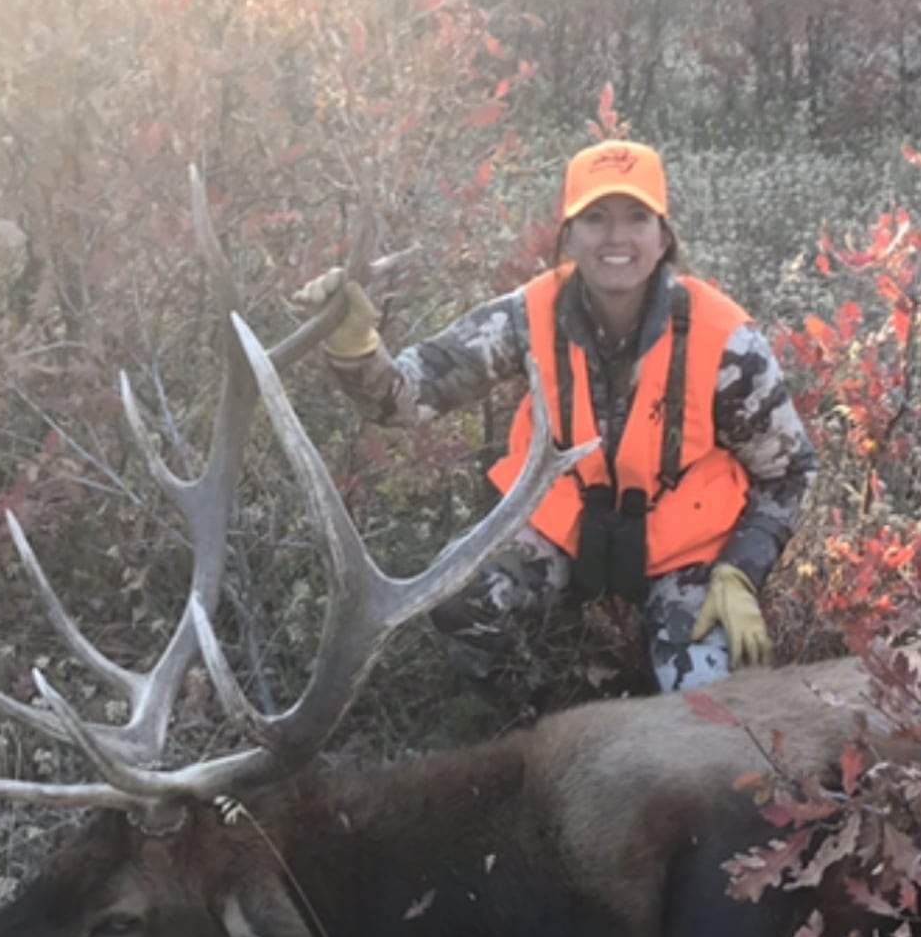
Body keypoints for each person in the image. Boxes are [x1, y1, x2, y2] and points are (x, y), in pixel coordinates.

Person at [296, 139, 817, 703]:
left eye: (636, 217)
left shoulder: (726, 341)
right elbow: (403, 399)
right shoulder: (526, 316)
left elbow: (790, 472)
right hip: (560, 527)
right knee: (461, 599)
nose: (616, 237)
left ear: (663, 236)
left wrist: (742, 569)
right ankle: (539, 734)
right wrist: (353, 348)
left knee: (711, 704)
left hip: (685, 549)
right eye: (595, 218)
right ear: (568, 236)